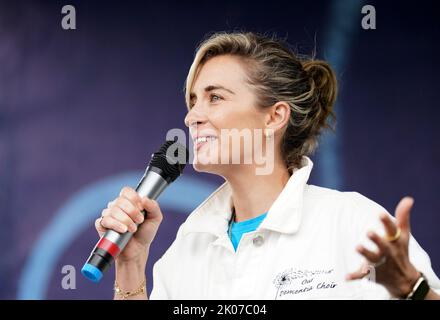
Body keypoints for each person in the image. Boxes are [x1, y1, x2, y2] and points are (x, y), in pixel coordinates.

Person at [95, 32, 440, 300]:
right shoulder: (188, 246)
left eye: (215, 97)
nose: (192, 116)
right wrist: (132, 263)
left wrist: (412, 289)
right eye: (193, 101)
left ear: (275, 116)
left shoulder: (354, 223)